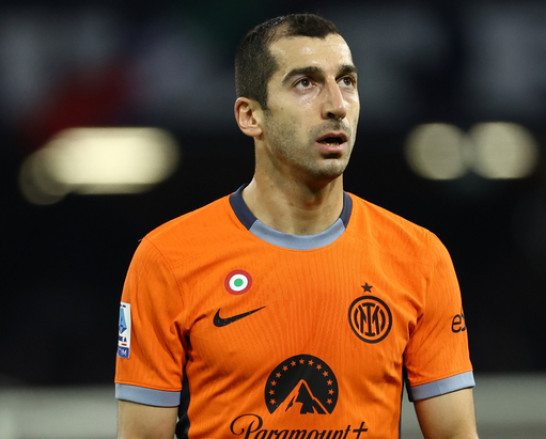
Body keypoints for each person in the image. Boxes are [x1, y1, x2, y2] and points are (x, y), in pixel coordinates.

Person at [115, 13, 478, 439]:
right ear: (250, 116)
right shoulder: (167, 259)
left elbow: (456, 433)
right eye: (306, 83)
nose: (337, 105)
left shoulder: (420, 258)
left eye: (347, 81)